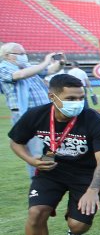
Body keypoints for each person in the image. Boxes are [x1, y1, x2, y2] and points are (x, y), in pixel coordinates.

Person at [8, 74, 100, 235]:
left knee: (79, 224)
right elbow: (16, 141)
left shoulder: (93, 120)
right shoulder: (36, 115)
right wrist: (30, 160)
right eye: (71, 98)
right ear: (53, 97)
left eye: (80, 98)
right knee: (36, 212)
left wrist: (93, 190)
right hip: (50, 172)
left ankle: (74, 232)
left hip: (85, 176)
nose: (77, 103)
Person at [0, 44, 64, 174]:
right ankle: (38, 181)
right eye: (20, 54)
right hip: (27, 114)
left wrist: (60, 63)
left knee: (49, 145)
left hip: (44, 112)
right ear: (7, 55)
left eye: (25, 53)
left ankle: (48, 174)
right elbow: (20, 75)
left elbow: (50, 70)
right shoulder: (3, 68)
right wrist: (45, 61)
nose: (24, 56)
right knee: (35, 151)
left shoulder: (29, 67)